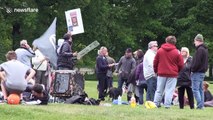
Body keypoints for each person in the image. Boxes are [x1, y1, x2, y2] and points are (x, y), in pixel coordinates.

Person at [153, 36, 184, 108]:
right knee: (169, 90)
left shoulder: (160, 50)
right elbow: (181, 64)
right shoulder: (177, 52)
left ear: (166, 41)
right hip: (172, 74)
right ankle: (167, 105)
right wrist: (177, 71)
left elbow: (155, 62)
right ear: (174, 42)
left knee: (159, 90)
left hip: (161, 73)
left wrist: (156, 70)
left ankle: (156, 103)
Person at [191, 34, 208, 109]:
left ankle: (200, 105)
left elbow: (197, 62)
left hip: (197, 72)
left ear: (197, 40)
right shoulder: (204, 49)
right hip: (202, 72)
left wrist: (192, 70)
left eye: (195, 41)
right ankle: (201, 105)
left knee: (195, 89)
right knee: (200, 89)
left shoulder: (199, 50)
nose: (194, 43)